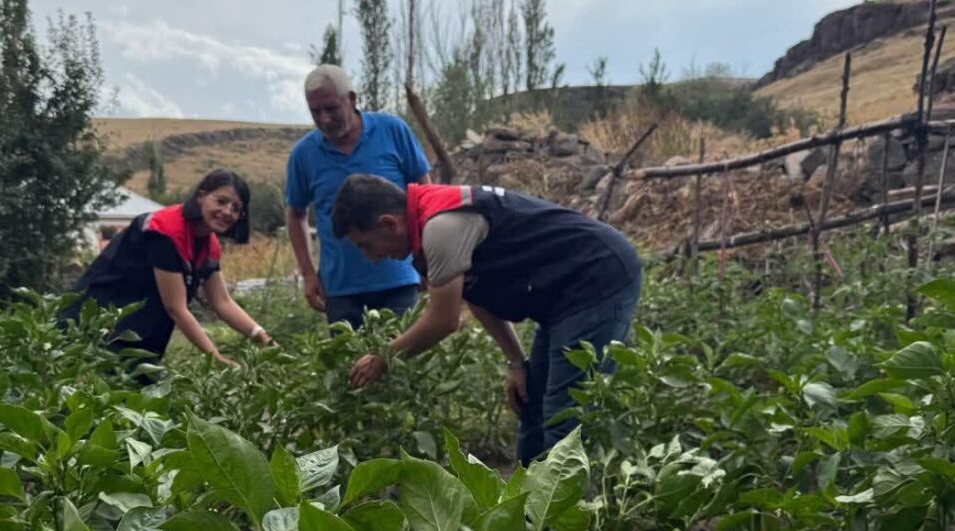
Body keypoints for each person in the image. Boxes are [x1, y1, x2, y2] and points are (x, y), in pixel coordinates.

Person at [331, 175, 642, 464]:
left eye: (366, 245)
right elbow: (477, 295)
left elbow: (443, 320)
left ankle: (561, 522)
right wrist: (517, 362)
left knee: (566, 423)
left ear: (388, 224)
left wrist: (384, 358)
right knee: (532, 403)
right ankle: (525, 517)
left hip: (597, 277)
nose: (371, 258)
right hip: (563, 292)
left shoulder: (440, 227)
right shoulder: (429, 219)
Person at [67, 168, 272, 375]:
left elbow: (222, 302)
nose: (227, 212)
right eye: (221, 201)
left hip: (139, 338)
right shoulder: (166, 231)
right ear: (201, 197)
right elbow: (176, 308)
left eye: (236, 208)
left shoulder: (208, 245)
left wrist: (264, 338)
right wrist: (216, 358)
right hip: (99, 328)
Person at [285, 64, 431, 330]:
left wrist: (425, 257)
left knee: (400, 363)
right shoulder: (303, 154)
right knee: (347, 367)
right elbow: (296, 214)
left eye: (331, 109)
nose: (324, 119)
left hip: (397, 278)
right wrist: (307, 273)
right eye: (315, 111)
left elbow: (424, 194)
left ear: (351, 99)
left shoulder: (393, 131)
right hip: (340, 287)